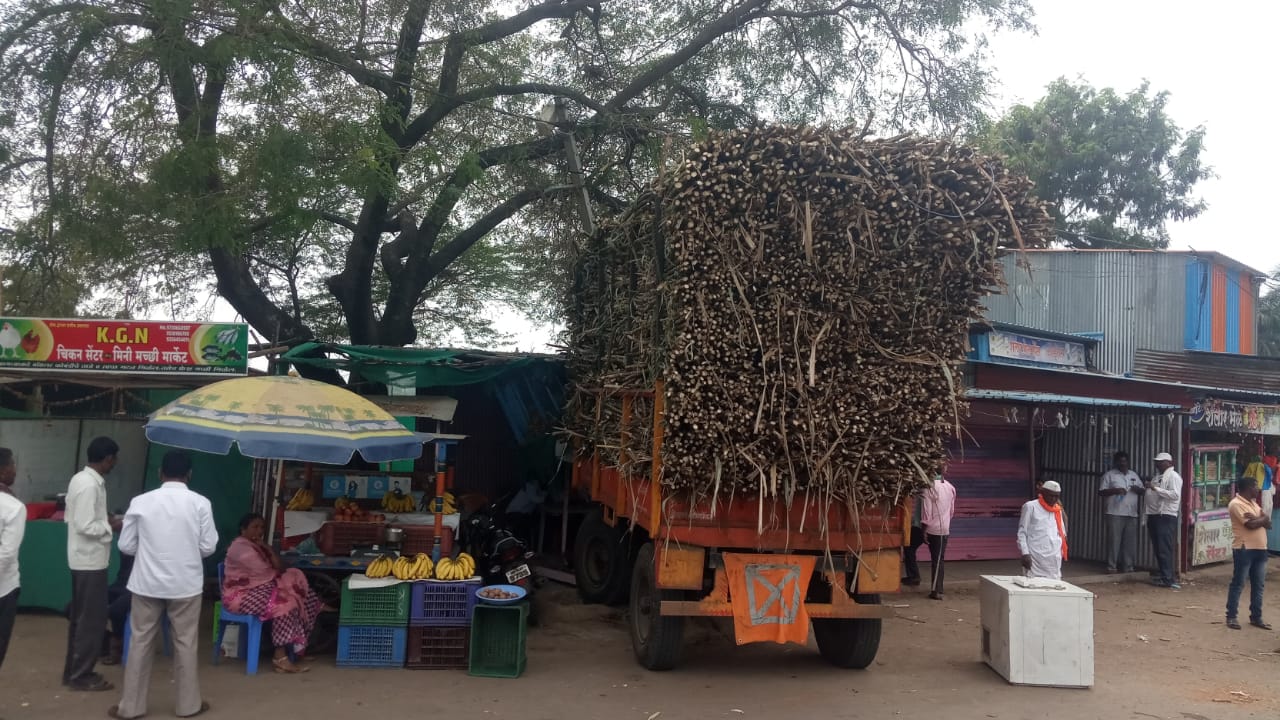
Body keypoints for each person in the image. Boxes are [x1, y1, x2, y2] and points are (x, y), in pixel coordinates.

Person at [110, 451, 216, 720]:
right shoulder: (200, 503)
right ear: (189, 475)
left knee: (140, 643)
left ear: (160, 473)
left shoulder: (141, 502)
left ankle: (131, 707)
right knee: (186, 644)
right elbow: (208, 546)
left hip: (146, 584)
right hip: (186, 585)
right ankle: (188, 705)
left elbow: (126, 545)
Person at [222, 513, 328, 673]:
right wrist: (279, 578)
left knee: (296, 584)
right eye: (255, 527)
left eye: (262, 527)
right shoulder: (240, 548)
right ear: (243, 530)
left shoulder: (258, 546)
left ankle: (298, 647)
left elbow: (280, 567)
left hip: (259, 588)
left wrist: (268, 549)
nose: (259, 531)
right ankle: (280, 657)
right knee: (285, 603)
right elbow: (266, 572)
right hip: (240, 596)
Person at [64, 436, 121, 692]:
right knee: (91, 621)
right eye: (114, 459)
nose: (114, 463)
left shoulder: (82, 479)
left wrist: (104, 518)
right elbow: (85, 525)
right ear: (107, 458)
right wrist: (110, 525)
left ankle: (73, 672)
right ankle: (81, 675)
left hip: (83, 558)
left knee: (81, 619)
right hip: (90, 561)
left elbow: (76, 517)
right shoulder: (89, 485)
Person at [1225, 477, 1271, 631]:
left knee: (1258, 585)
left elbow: (1268, 523)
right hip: (1244, 548)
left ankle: (1256, 617)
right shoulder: (1236, 504)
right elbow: (1251, 525)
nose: (1257, 489)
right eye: (1256, 486)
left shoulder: (1253, 504)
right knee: (1238, 583)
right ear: (1248, 488)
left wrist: (1261, 519)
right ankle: (1231, 616)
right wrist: (1262, 518)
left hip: (1261, 547)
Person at [0, 447, 26, 671]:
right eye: (12, 465)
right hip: (3, 589)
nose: (15, 470)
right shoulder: (13, 507)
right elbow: (7, 554)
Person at [1098, 451, 1143, 573]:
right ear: (1116, 462)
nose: (1123, 463)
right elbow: (1101, 492)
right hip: (1115, 513)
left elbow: (1142, 490)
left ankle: (1128, 567)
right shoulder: (1109, 475)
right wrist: (1115, 490)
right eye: (1120, 461)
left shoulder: (1133, 475)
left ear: (1128, 462)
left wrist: (1137, 489)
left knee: (1129, 542)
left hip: (1131, 514)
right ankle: (1112, 566)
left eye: (1125, 461)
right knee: (1114, 541)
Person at [1146, 452, 1183, 590]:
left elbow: (1174, 495)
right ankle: (1164, 575)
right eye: (1157, 461)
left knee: (1164, 548)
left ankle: (1168, 578)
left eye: (1161, 462)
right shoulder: (1158, 477)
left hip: (1166, 515)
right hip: (1155, 514)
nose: (1158, 464)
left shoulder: (1173, 476)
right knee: (1158, 547)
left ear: (1169, 463)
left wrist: (1154, 488)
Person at [1017, 480, 1067, 580]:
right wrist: (1025, 553)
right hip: (1035, 557)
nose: (1053, 499)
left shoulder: (1058, 510)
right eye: (1051, 495)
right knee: (1034, 586)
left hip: (1054, 559)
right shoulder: (1030, 506)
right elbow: (1022, 533)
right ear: (1043, 493)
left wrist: (1060, 551)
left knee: (1053, 589)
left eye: (1056, 496)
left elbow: (1062, 533)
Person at [920, 474, 957, 600]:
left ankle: (936, 591)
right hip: (944, 529)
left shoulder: (928, 488)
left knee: (936, 560)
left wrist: (924, 530)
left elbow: (927, 512)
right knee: (939, 559)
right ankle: (938, 589)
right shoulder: (950, 487)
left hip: (933, 529)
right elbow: (951, 511)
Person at [101, 553, 135, 666]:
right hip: (120, 584)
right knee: (72, 608)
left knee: (116, 610)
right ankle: (104, 641)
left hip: (139, 588)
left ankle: (116, 644)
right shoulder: (125, 539)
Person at [902, 491, 925, 587]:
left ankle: (914, 576)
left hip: (920, 526)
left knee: (909, 548)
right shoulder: (924, 493)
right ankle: (912, 575)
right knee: (909, 549)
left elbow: (925, 512)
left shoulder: (926, 493)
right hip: (919, 525)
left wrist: (924, 528)